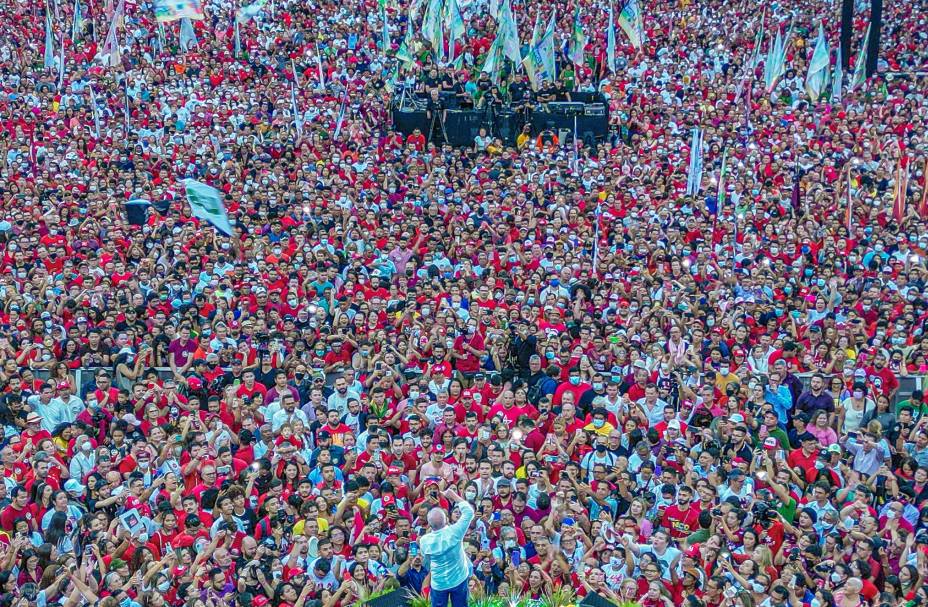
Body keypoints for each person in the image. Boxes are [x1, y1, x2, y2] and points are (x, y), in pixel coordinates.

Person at [420, 488, 475, 607]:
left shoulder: (424, 541)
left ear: (429, 524)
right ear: (446, 520)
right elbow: (469, 512)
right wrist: (453, 496)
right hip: (459, 579)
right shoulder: (455, 532)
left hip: (439, 582)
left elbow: (426, 558)